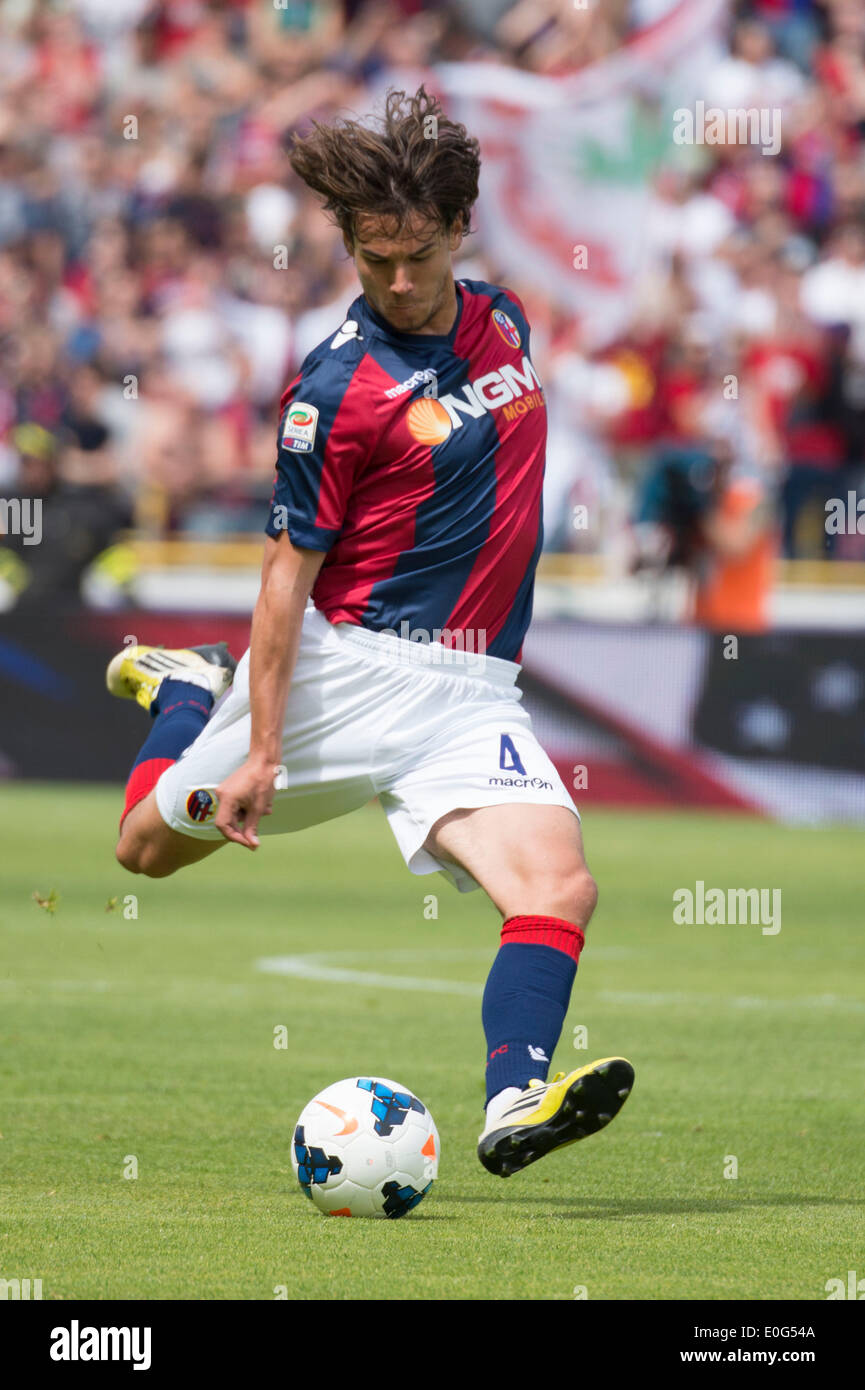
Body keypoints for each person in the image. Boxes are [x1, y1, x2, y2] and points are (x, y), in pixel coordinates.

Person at [107, 87, 633, 1180]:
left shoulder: (507, 319)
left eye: (418, 254)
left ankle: (511, 1102)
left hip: (472, 686)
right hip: (341, 674)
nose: (398, 281)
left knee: (558, 886)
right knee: (142, 852)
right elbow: (281, 579)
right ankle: (181, 692)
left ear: (458, 229)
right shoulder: (335, 391)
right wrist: (258, 744)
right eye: (374, 258)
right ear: (347, 245)